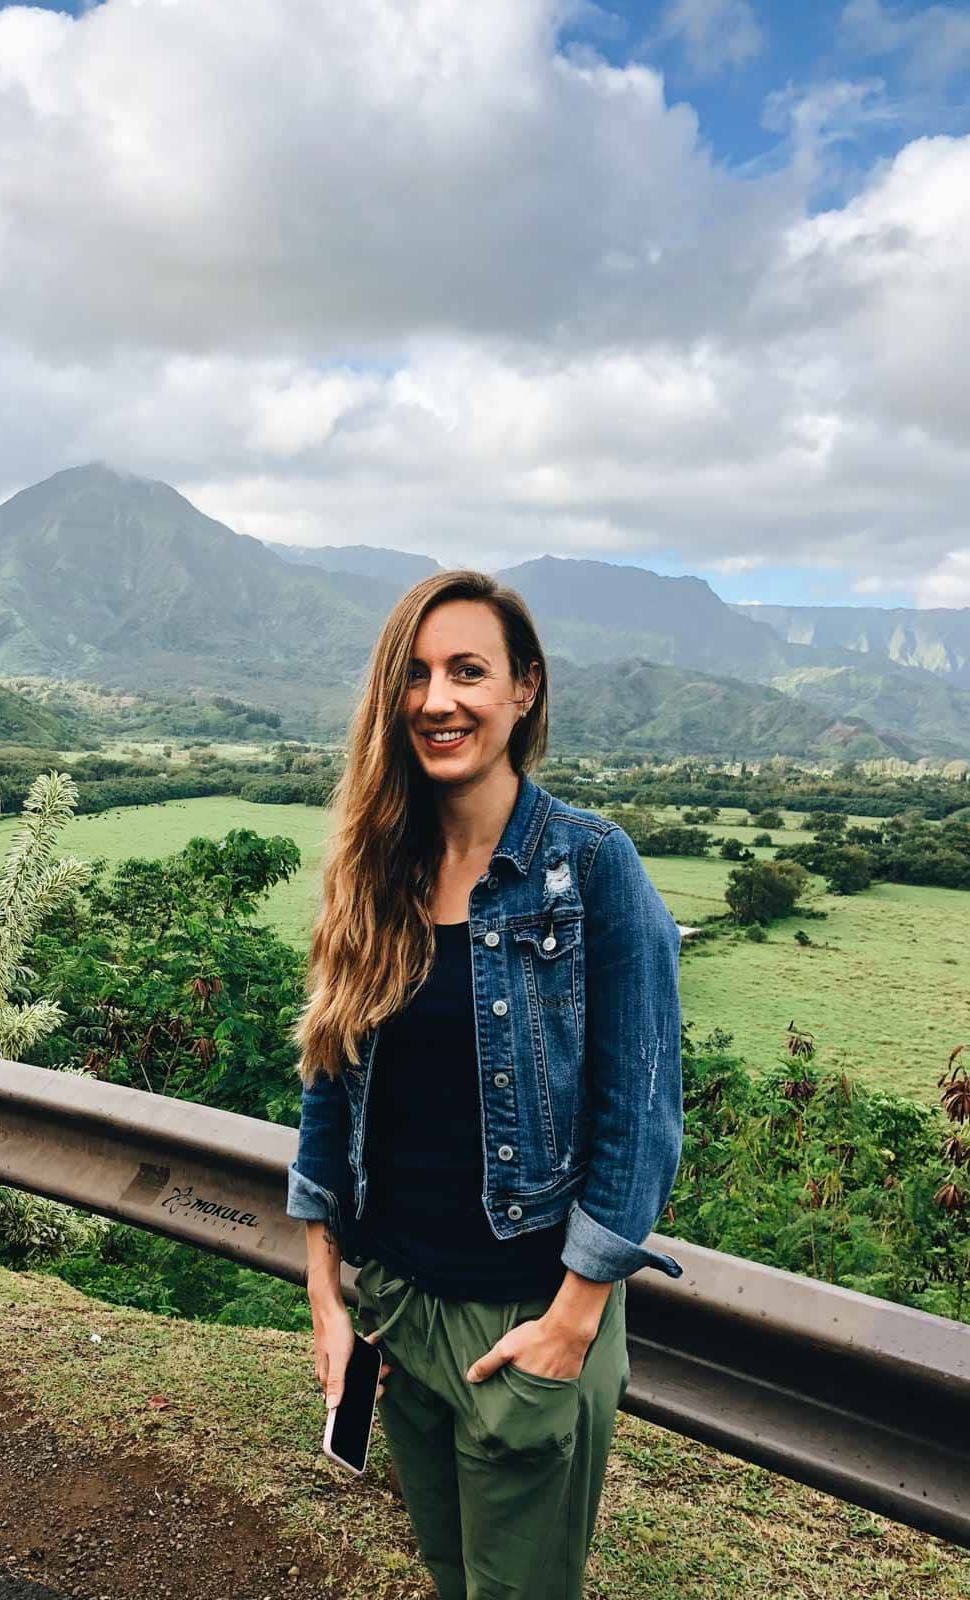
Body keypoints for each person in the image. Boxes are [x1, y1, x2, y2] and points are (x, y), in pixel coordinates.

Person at [285, 569, 683, 1600]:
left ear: (525, 690)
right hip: (401, 1311)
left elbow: (639, 1115)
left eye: (469, 670)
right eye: (415, 675)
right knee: (453, 1577)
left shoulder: (592, 868)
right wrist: (328, 1294)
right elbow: (328, 1090)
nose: (438, 698)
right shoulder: (377, 872)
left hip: (527, 1312)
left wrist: (573, 1319)